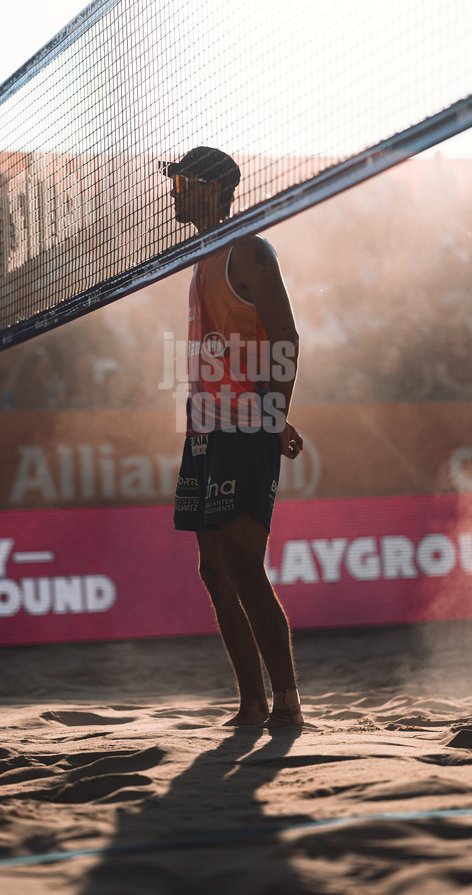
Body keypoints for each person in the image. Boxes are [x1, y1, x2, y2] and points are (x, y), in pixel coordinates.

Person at [162, 146, 304, 728]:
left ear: (214, 190)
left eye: (184, 183)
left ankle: (288, 702)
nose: (173, 192)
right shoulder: (201, 255)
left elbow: (287, 336)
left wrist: (273, 418)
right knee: (214, 570)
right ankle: (251, 702)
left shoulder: (248, 248)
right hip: (206, 426)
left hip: (245, 426)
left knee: (245, 565)